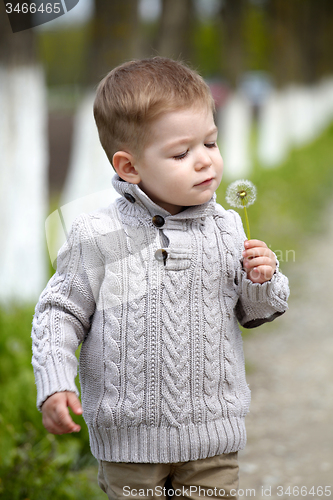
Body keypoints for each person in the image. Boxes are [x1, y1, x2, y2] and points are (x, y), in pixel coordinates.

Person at [32, 57, 289, 499]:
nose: (205, 161)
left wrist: (261, 279)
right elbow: (59, 313)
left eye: (211, 142)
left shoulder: (227, 228)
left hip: (213, 435)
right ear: (129, 167)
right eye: (181, 153)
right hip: (128, 443)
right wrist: (54, 380)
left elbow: (256, 312)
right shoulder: (98, 235)